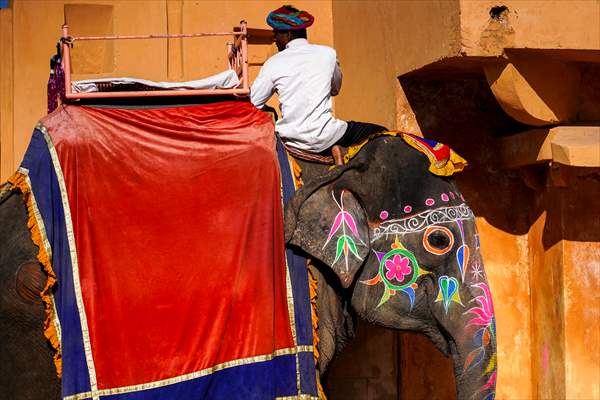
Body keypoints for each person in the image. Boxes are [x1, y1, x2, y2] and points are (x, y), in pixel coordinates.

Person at [250, 5, 387, 165]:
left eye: (276, 33)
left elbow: (254, 102)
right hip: (328, 136)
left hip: (293, 140)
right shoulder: (328, 53)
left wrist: (270, 109)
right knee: (381, 132)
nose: (274, 39)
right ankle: (344, 152)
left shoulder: (272, 63)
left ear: (288, 34)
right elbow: (335, 89)